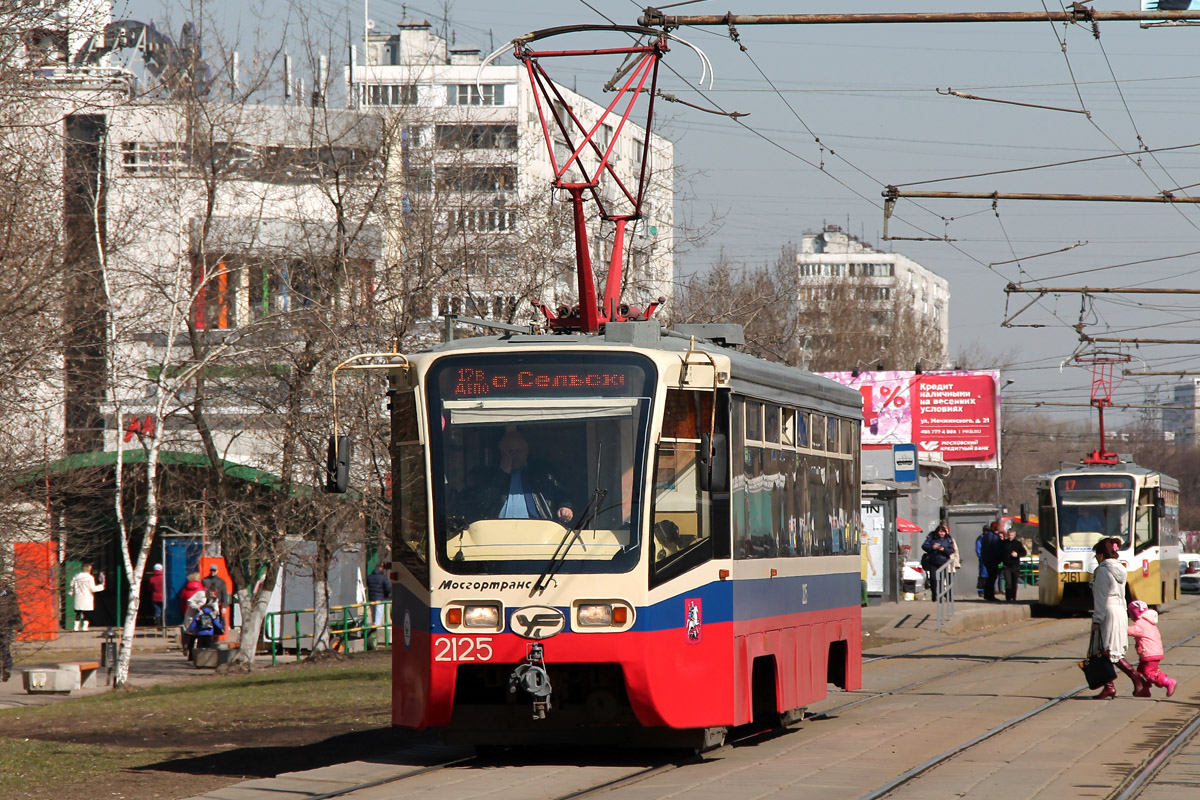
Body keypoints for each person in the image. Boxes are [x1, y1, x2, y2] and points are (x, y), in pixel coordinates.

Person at [467, 430, 575, 524]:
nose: (514, 456)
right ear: (502, 452)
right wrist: (502, 474)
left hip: (537, 529)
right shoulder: (490, 474)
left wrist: (565, 506)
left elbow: (561, 493)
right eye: (510, 452)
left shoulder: (542, 471)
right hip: (499, 531)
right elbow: (482, 504)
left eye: (518, 451)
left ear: (526, 452)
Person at [1089, 537, 1146, 699]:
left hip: (1108, 611)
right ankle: (1110, 686)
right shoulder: (1120, 569)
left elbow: (1101, 598)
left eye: (1096, 555)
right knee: (1108, 649)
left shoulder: (1102, 571)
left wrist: (1097, 619)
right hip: (1120, 610)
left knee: (1105, 649)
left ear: (1101, 555)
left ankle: (1133, 677)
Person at [1127, 600, 1177, 698]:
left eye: (1130, 614)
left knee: (1149, 673)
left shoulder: (1141, 622)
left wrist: (1122, 628)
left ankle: (1167, 682)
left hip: (1149, 653)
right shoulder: (1148, 621)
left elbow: (1135, 631)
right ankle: (1144, 690)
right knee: (1141, 672)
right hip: (1153, 651)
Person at [921, 523, 955, 596]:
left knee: (942, 579)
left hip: (944, 562)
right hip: (933, 561)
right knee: (933, 578)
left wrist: (943, 549)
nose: (942, 533)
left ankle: (941, 594)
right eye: (940, 532)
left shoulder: (948, 539)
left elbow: (951, 550)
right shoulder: (932, 537)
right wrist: (932, 547)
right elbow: (924, 546)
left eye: (943, 532)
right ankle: (934, 593)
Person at [70, 564, 105, 631]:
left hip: (78, 596)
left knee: (78, 612)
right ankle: (85, 627)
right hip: (87, 596)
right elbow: (92, 589)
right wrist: (101, 587)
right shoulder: (90, 578)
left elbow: (72, 586)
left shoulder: (76, 577)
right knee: (86, 612)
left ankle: (76, 627)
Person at [998, 526, 1027, 602]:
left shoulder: (1017, 543)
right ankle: (1008, 598)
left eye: (1011, 535)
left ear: (1014, 535)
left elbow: (1024, 552)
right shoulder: (1004, 543)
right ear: (1007, 535)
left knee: (1014, 583)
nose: (1010, 537)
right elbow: (1000, 553)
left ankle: (1013, 597)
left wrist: (1017, 554)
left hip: (1015, 566)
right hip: (1006, 566)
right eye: (1009, 535)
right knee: (1008, 583)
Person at [976, 521, 1003, 601]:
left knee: (988, 577)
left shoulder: (984, 536)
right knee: (992, 577)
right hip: (992, 559)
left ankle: (986, 594)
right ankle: (990, 595)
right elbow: (996, 549)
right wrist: (999, 558)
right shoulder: (994, 537)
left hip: (986, 559)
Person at [0, 576, 19, 682]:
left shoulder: (10, 595)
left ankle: (6, 668)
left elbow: (15, 610)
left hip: (6, 625)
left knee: (5, 647)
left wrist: (18, 623)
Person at [366, 564, 391, 634]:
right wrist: (386, 596)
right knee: (378, 618)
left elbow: (368, 586)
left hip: (371, 598)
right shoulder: (383, 578)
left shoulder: (369, 577)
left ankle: (372, 633)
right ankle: (375, 634)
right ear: (381, 568)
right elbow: (388, 588)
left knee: (373, 615)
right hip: (380, 598)